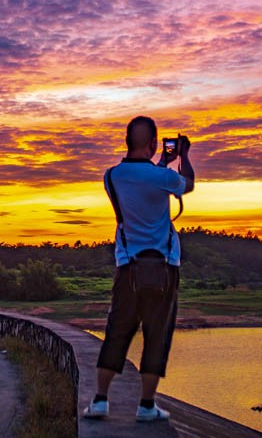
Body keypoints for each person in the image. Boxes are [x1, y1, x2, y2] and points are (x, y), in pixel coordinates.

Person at [83, 115, 194, 423]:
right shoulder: (164, 178)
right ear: (154, 143)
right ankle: (146, 406)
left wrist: (160, 161)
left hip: (128, 266)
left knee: (117, 332)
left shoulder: (111, 176)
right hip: (164, 267)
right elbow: (187, 184)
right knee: (157, 335)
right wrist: (181, 157)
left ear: (127, 141)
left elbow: (141, 181)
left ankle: (101, 400)